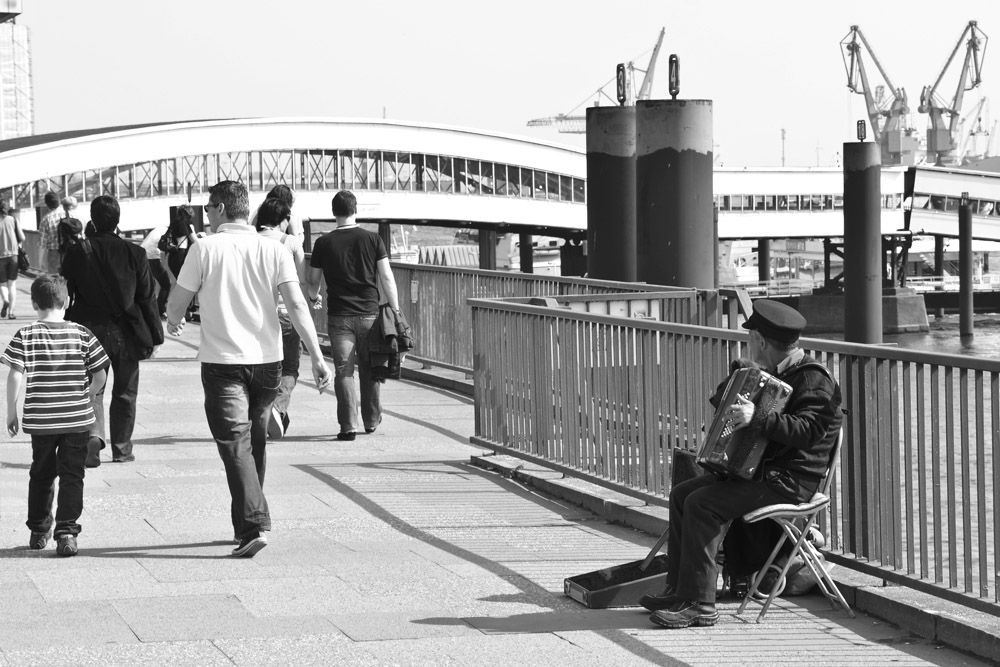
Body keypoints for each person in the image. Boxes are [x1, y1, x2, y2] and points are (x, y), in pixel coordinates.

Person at [640, 299, 842, 629]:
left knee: (703, 505)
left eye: (752, 338)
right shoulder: (770, 373)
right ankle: (678, 590)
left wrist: (758, 416)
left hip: (789, 482)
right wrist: (740, 378)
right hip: (763, 474)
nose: (749, 342)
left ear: (761, 340)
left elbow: (809, 432)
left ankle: (700, 605)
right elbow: (721, 402)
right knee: (683, 494)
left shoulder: (814, 380)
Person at [165, 180, 331, 558]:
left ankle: (254, 523)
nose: (205, 214)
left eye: (208, 207)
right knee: (253, 441)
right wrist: (317, 356)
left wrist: (173, 320)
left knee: (234, 443)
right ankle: (245, 522)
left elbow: (177, 301)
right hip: (268, 362)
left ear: (222, 208)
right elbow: (298, 304)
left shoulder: (203, 249)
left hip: (223, 363)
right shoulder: (274, 250)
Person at [3, 275, 110, 557]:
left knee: (41, 473)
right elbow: (100, 372)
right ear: (68, 301)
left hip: (41, 420)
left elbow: (15, 374)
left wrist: (11, 411)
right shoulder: (83, 333)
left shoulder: (25, 334)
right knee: (73, 475)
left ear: (35, 302)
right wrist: (90, 394)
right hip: (77, 419)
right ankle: (66, 532)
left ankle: (39, 529)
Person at [61, 195, 164, 466]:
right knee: (125, 392)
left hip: (87, 332)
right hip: (127, 332)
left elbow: (66, 293)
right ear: (118, 221)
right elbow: (147, 298)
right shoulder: (136, 253)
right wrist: (156, 335)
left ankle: (93, 436)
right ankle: (122, 448)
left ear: (93, 220)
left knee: (92, 388)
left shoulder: (77, 251)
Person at [306, 190, 401, 440]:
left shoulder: (323, 242)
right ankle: (371, 420)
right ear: (355, 209)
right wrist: (396, 308)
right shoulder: (372, 239)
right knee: (370, 369)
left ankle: (348, 426)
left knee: (343, 371)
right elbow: (387, 277)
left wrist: (314, 297)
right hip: (370, 314)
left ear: (333, 212)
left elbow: (313, 280)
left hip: (339, 316)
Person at [255, 197, 306, 438]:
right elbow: (302, 283)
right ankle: (277, 407)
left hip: (259, 314)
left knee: (264, 365)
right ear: (284, 220)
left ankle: (261, 410)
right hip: (286, 314)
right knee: (291, 367)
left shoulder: (251, 241)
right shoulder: (291, 242)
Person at [139, 223, 171, 317]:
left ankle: (147, 310)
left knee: (148, 285)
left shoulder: (158, 229)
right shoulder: (167, 232)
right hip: (152, 257)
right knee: (166, 285)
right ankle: (159, 310)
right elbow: (166, 247)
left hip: (142, 256)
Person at [0, 200, 25, 320]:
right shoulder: (13, 220)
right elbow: (22, 237)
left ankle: (5, 300)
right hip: (13, 255)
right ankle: (11, 312)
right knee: (12, 284)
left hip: (0, 257)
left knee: (3, 283)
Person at [38, 192, 63, 274]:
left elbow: (42, 244)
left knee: (54, 280)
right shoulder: (68, 214)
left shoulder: (45, 219)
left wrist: (40, 261)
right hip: (68, 251)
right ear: (59, 201)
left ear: (47, 204)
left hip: (53, 253)